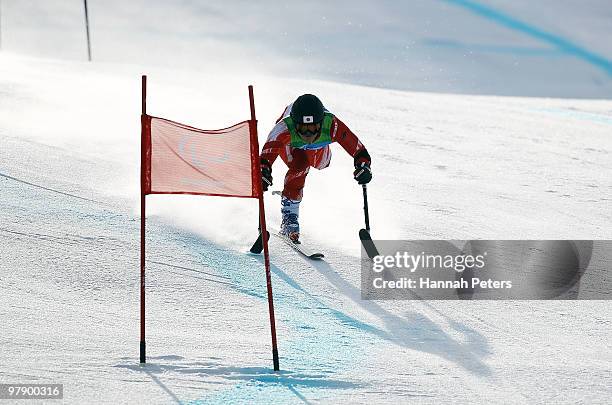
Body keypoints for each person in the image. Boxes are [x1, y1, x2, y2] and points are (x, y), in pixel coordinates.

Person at [260, 94, 372, 243]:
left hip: (317, 147)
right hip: (291, 145)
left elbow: (359, 151)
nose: (308, 134)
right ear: (294, 124)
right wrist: (263, 171)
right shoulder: (283, 129)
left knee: (320, 163)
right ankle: (290, 217)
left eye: (312, 128)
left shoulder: (332, 125)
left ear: (320, 123)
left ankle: (312, 155)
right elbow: (265, 157)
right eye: (303, 128)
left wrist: (363, 166)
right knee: (300, 165)